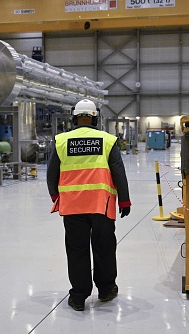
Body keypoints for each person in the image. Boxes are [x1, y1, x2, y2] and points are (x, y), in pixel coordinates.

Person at [46, 99, 131, 312]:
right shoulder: (108, 140)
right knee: (104, 248)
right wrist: (124, 199)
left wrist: (55, 196)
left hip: (73, 207)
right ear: (95, 117)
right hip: (101, 205)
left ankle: (78, 296)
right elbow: (118, 172)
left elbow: (51, 174)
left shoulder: (61, 140)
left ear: (74, 118)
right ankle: (106, 289)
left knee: (77, 250)